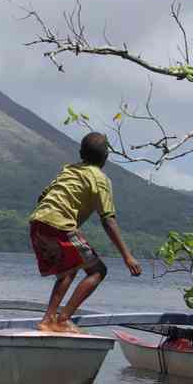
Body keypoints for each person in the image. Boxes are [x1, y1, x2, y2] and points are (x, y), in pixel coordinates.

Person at [29, 132, 141, 333]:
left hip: (38, 221)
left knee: (69, 269)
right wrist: (127, 256)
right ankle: (62, 320)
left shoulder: (69, 170)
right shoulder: (100, 180)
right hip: (60, 224)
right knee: (98, 271)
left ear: (81, 153)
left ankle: (48, 320)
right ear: (106, 157)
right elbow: (108, 219)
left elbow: (42, 197)